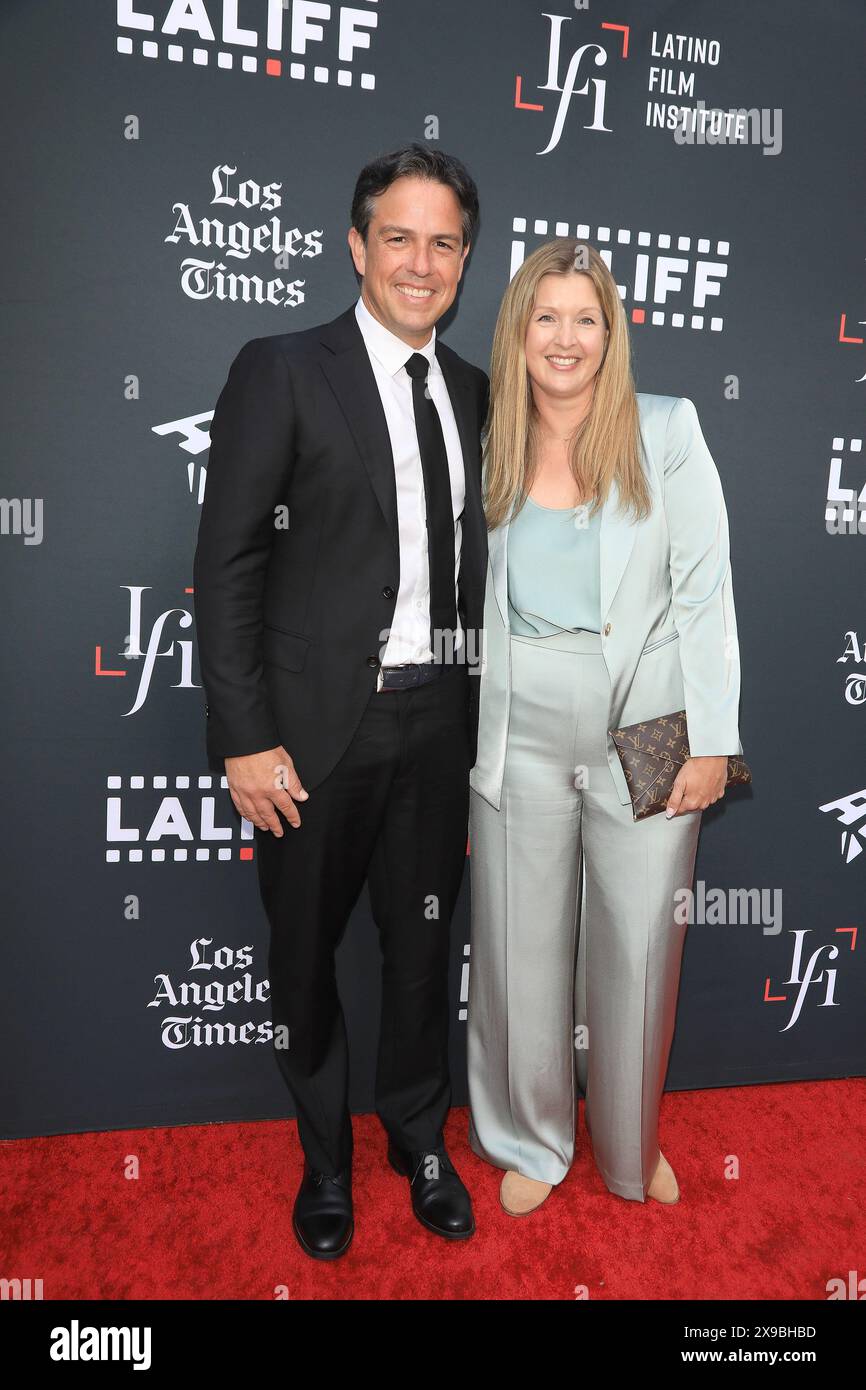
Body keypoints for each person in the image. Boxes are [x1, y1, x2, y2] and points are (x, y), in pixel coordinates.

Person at [193, 144, 489, 1259]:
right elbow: (225, 564)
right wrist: (245, 735)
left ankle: (418, 1140)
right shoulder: (281, 367)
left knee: (420, 954)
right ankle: (324, 1158)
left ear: (466, 258)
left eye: (444, 242)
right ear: (357, 245)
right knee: (303, 956)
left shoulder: (471, 390)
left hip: (437, 727)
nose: (421, 262)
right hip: (315, 734)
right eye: (399, 237)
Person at [467, 238, 742, 1215]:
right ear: (518, 329)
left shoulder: (664, 429)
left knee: (637, 943)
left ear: (611, 331)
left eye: (585, 317)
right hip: (519, 712)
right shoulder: (489, 430)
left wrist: (710, 739)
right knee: (518, 941)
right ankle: (529, 1140)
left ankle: (630, 1149)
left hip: (649, 715)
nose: (565, 337)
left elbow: (703, 591)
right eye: (545, 316)